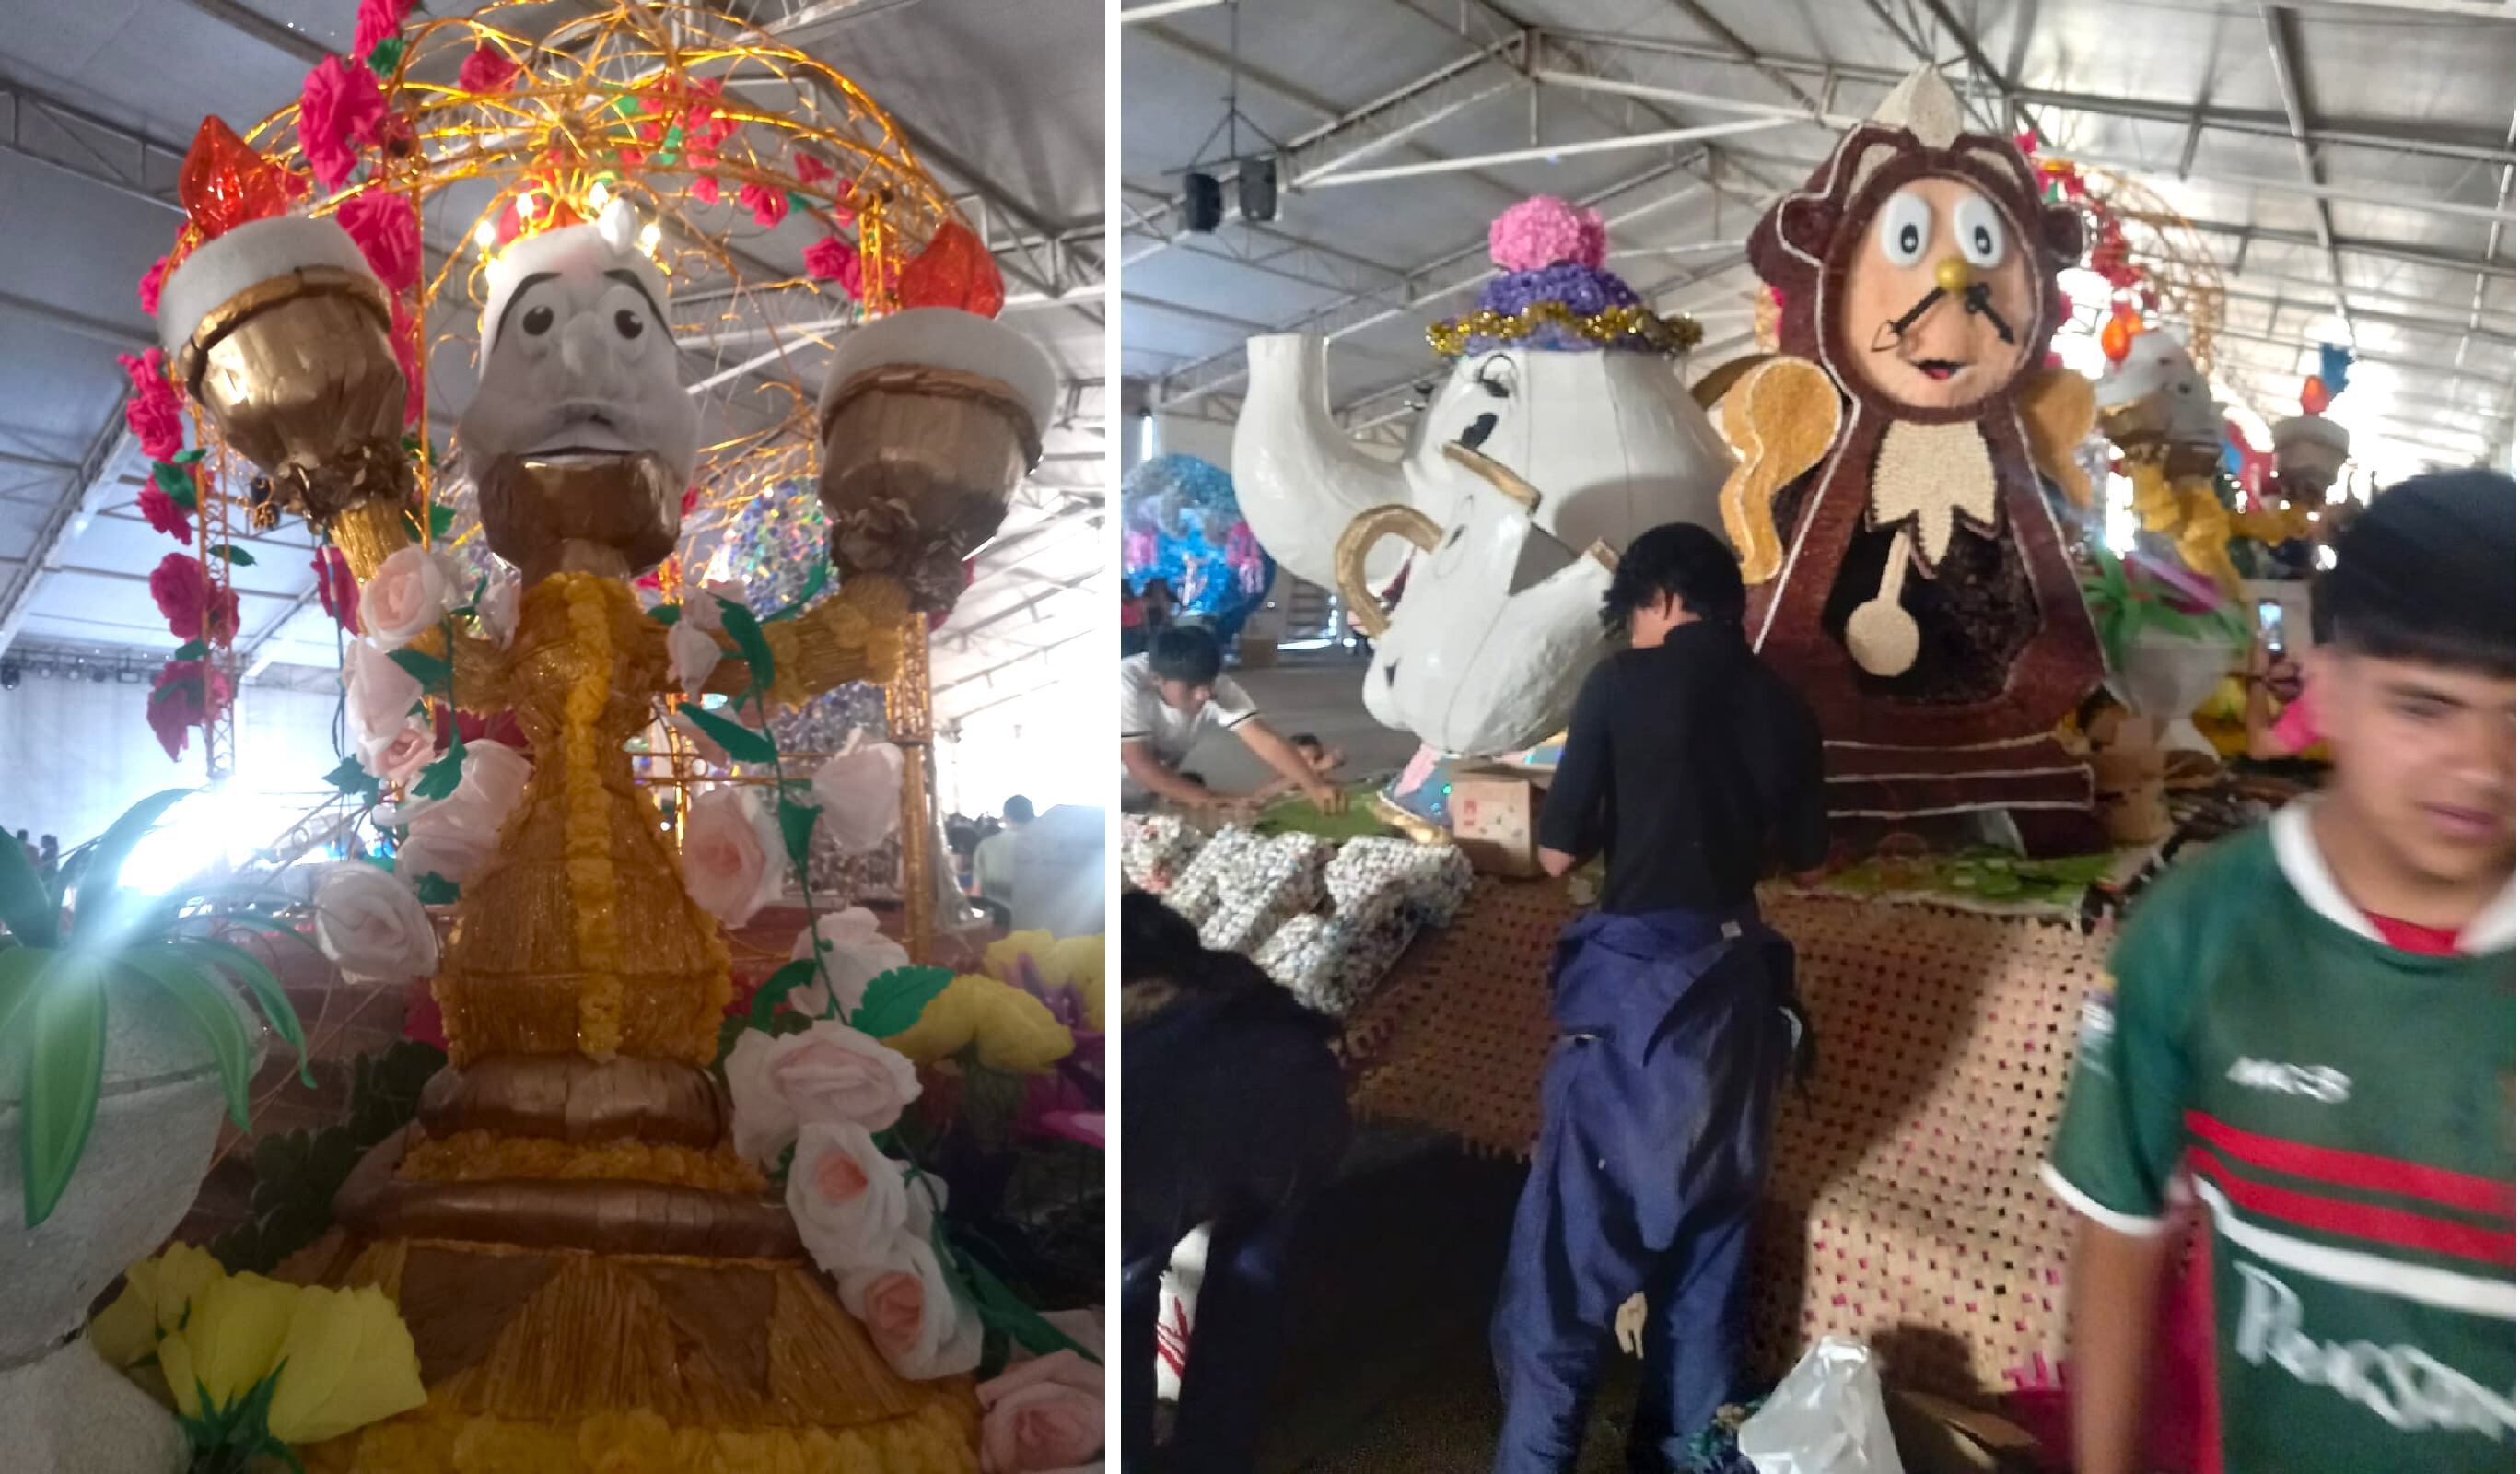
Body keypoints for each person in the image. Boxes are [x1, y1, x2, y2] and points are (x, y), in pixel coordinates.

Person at [2046, 470, 2514, 1474]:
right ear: (2329, 687)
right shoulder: (2199, 937)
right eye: (2425, 707)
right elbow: (2121, 1242)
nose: (2484, 762)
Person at [1490, 522, 1828, 1474]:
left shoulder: (1618, 685)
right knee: (1706, 1279)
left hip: (1637, 1012)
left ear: (1658, 599)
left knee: (1561, 1291)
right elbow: (1808, 867)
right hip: (1737, 1011)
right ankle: (1689, 1457)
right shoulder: (1785, 706)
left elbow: (1556, 853)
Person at [1119, 891, 1349, 1474]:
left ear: (1145, 988)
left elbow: (1140, 1214)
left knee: (1129, 1291)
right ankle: (1213, 1454)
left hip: (1252, 1136)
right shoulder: (1227, 982)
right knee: (1246, 1287)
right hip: (1306, 1128)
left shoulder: (1156, 1051)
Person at [1120, 626, 1344, 813]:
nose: (1204, 694)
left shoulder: (1217, 687)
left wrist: (1313, 784)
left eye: (1208, 683)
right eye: (1191, 687)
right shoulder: (1124, 683)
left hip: (1149, 793)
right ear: (1157, 679)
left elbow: (1265, 740)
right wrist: (1208, 798)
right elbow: (1138, 763)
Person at [972, 795, 1032, 918]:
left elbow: (976, 892)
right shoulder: (1046, 846)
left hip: (997, 922)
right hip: (1036, 923)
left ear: (1005, 818)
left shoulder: (985, 846)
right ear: (1032, 817)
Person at [1251, 733, 1345, 804]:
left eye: (1318, 758)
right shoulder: (1276, 790)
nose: (1313, 763)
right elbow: (1264, 795)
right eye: (1305, 761)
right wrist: (1318, 767)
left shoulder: (1335, 786)